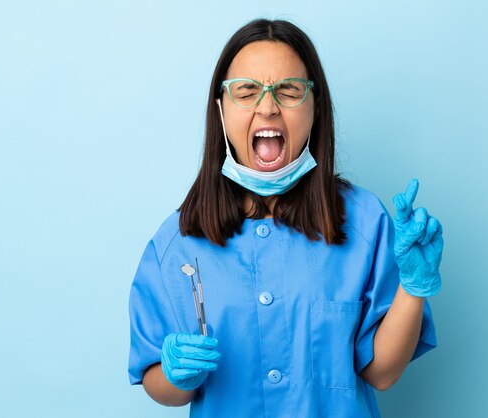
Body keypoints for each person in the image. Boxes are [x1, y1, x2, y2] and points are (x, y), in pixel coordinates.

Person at [128, 18, 444, 418]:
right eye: (246, 91)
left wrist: (414, 288)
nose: (267, 106)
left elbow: (381, 373)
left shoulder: (364, 223)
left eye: (289, 90)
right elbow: (158, 383)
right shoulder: (179, 239)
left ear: (315, 108)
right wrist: (176, 375)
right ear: (221, 110)